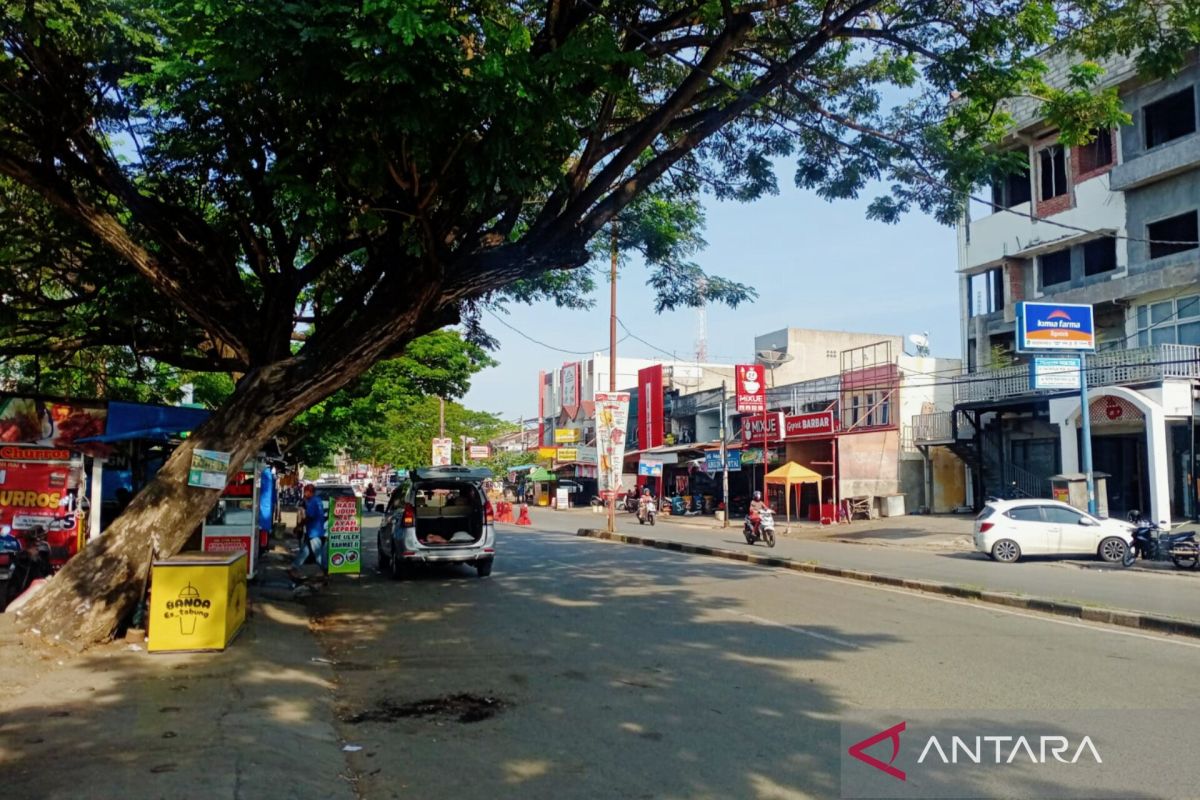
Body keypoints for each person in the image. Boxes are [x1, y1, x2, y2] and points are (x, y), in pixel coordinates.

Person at [289, 484, 326, 580]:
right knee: (305, 552)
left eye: (305, 492)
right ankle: (294, 568)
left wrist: (299, 526)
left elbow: (309, 516)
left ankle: (325, 571)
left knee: (317, 555)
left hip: (314, 532)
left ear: (310, 492)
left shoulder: (313, 502)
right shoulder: (318, 500)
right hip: (316, 530)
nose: (304, 494)